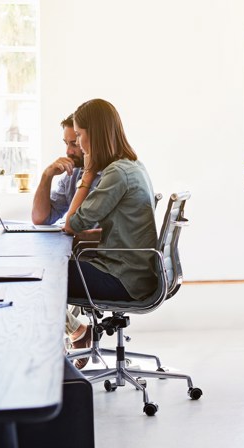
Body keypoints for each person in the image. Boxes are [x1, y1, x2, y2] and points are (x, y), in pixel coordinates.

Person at [63, 98, 159, 306]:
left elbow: (71, 225)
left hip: (122, 278)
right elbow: (128, 231)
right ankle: (77, 330)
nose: (78, 143)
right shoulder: (133, 165)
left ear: (95, 134)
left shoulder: (117, 173)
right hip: (134, 275)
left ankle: (76, 330)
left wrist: (87, 175)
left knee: (48, 272)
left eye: (79, 135)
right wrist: (91, 234)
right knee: (55, 268)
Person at [32, 114, 88, 226]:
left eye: (74, 144)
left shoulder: (112, 174)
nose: (68, 151)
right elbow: (40, 219)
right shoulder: (72, 175)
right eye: (66, 144)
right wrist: (46, 176)